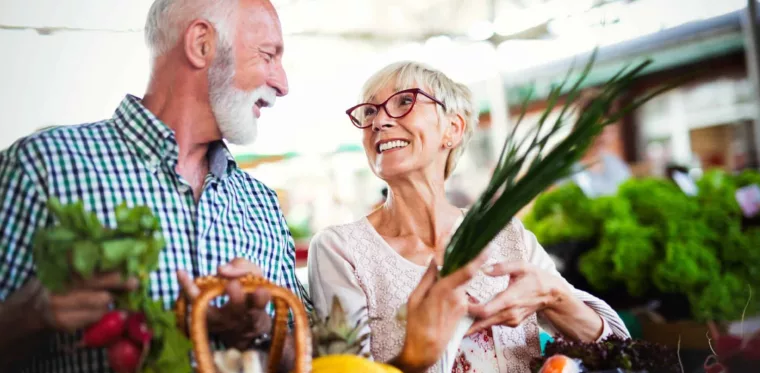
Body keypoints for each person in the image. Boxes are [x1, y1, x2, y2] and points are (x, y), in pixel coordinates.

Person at [0, 2, 485, 372]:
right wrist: (33, 313)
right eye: (269, 55)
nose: (283, 82)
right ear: (202, 45)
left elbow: (306, 355)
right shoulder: (44, 165)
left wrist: (259, 327)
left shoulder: (257, 202)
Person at [308, 61, 630, 373]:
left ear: (453, 128)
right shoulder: (341, 249)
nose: (379, 122)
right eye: (369, 111)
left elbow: (620, 351)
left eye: (405, 101)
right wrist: (414, 357)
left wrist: (555, 298)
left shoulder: (506, 235)